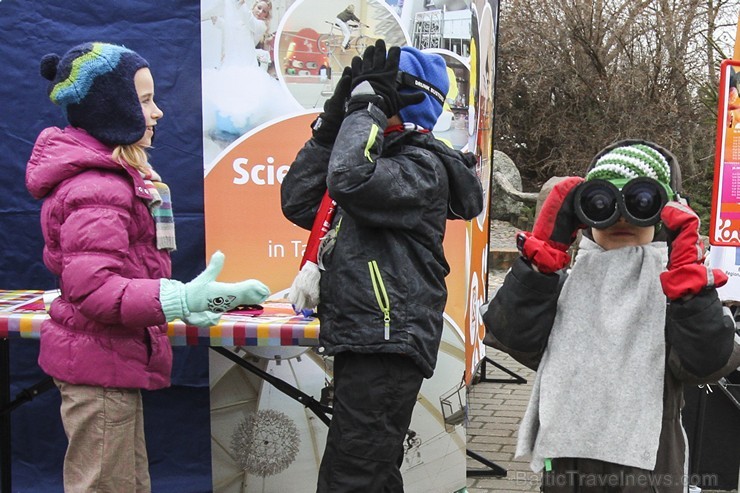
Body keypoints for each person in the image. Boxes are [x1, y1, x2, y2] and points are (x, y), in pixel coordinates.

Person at [26, 42, 270, 493]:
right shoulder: (98, 188)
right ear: (111, 108)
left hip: (109, 362)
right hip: (97, 367)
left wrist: (203, 299)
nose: (157, 112)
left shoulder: (118, 182)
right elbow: (96, 291)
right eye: (144, 100)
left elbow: (130, 278)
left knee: (127, 484)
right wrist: (179, 298)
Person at [281, 40, 484, 492]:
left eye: (372, 91)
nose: (360, 97)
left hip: (387, 339)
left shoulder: (422, 166)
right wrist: (329, 128)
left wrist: (364, 111)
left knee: (352, 478)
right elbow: (298, 202)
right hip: (370, 336)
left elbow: (349, 179)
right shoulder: (374, 160)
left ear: (399, 100)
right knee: (367, 473)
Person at [482, 140, 740, 493]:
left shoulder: (676, 290)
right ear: (582, 212)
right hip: (567, 465)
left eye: (641, 202)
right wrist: (539, 264)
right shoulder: (565, 283)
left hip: (648, 468)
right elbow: (515, 337)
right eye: (601, 202)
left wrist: (690, 291)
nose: (621, 216)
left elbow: (706, 363)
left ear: (668, 211)